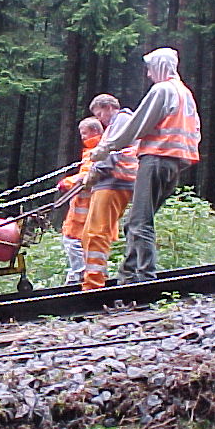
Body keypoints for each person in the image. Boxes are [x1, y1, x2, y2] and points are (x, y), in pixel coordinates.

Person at [90, 47, 201, 284]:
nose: (149, 75)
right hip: (173, 164)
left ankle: (145, 279)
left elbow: (136, 125)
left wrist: (105, 148)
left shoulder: (162, 90)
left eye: (150, 69)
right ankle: (128, 276)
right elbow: (195, 132)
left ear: (159, 66)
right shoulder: (186, 94)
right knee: (135, 221)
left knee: (140, 221)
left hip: (156, 159)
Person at [80, 94, 139, 291]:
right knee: (89, 233)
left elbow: (111, 153)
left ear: (107, 108)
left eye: (99, 114)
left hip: (114, 182)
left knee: (97, 233)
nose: (100, 120)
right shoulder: (118, 124)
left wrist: (94, 173)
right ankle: (94, 278)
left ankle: (94, 285)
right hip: (111, 183)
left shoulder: (121, 120)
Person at [57, 117, 104, 285]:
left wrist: (67, 182)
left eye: (84, 133)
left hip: (85, 207)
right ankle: (81, 273)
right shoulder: (93, 150)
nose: (82, 137)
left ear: (94, 132)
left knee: (72, 240)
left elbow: (87, 175)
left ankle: (79, 274)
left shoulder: (97, 150)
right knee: (78, 241)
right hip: (83, 206)